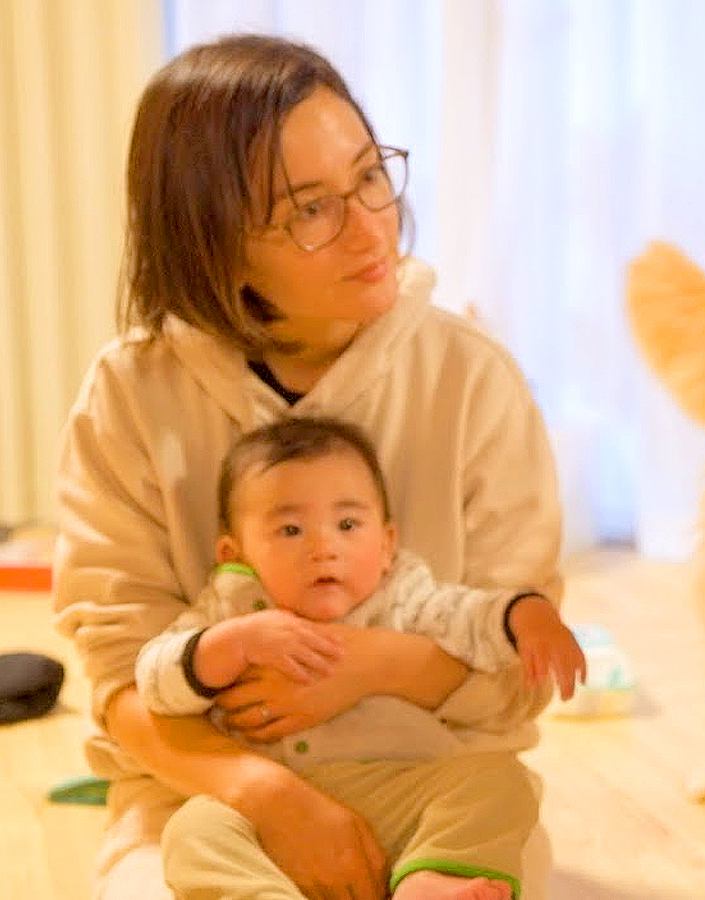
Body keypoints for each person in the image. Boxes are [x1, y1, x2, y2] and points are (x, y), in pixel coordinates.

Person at [54, 33, 565, 900]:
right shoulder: (131, 392)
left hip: (433, 773)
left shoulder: (470, 372)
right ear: (211, 242)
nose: (373, 225)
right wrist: (266, 792)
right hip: (201, 796)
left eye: (371, 174)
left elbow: (518, 661)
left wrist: (365, 666)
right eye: (308, 209)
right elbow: (117, 673)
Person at [136, 416, 584, 898]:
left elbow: (473, 619)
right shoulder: (232, 605)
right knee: (193, 831)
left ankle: (430, 881)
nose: (324, 547)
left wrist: (529, 615)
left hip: (401, 788)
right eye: (290, 529)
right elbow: (154, 680)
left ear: (387, 544)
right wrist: (228, 645)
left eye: (348, 524)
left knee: (499, 781)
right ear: (235, 551)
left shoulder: (404, 596)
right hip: (269, 806)